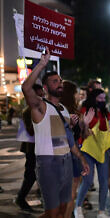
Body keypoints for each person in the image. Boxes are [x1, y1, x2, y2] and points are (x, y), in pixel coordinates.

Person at [21, 49, 90, 218]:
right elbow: (26, 88)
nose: (59, 84)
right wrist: (42, 64)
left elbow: (67, 140)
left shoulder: (64, 110)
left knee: (62, 210)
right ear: (45, 88)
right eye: (54, 81)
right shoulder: (40, 106)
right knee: (51, 213)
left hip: (66, 161)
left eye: (60, 81)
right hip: (48, 163)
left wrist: (81, 159)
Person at [75, 88, 110, 218]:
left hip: (103, 150)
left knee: (104, 182)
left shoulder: (105, 113)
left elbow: (106, 130)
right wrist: (85, 124)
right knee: (87, 180)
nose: (102, 101)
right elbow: (82, 133)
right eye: (99, 98)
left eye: (103, 98)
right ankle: (78, 207)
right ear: (93, 98)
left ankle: (101, 212)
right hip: (88, 150)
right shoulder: (85, 110)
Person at [61, 80, 95, 218]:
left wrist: (85, 125)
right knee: (65, 193)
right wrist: (68, 124)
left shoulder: (77, 111)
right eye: (76, 93)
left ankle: (69, 214)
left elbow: (85, 136)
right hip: (63, 154)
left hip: (75, 154)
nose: (78, 96)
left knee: (72, 192)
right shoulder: (59, 111)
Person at [15, 84, 44, 212]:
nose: (41, 97)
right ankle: (21, 198)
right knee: (31, 174)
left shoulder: (38, 108)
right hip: (32, 148)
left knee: (40, 174)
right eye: (38, 95)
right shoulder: (29, 111)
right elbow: (30, 131)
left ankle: (41, 196)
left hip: (39, 147)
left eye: (42, 94)